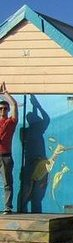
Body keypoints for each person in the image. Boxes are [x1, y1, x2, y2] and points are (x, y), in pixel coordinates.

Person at [0, 82, 18, 214]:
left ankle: (7, 207)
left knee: (7, 183)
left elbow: (14, 105)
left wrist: (5, 94)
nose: (3, 111)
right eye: (0, 108)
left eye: (5, 108)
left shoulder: (10, 122)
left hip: (6, 156)